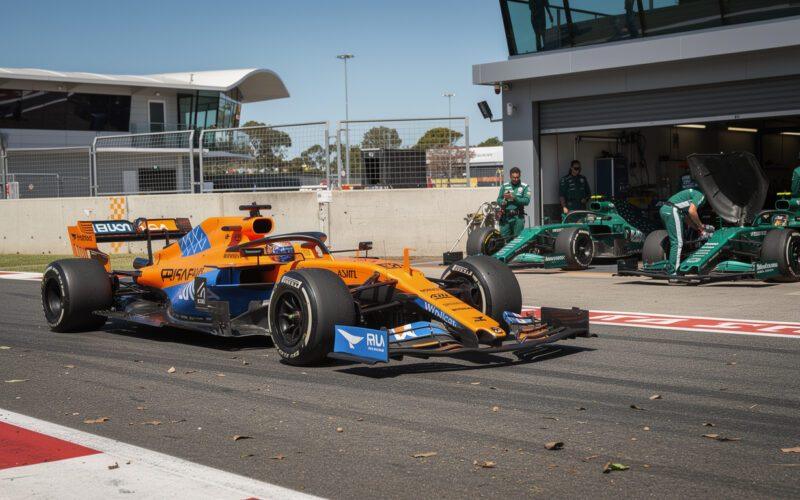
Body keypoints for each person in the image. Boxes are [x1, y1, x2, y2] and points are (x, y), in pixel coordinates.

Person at [660, 188, 707, 274]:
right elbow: (692, 211)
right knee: (677, 242)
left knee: (675, 241)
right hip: (672, 210)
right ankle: (674, 272)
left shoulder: (691, 194)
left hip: (665, 209)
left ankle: (671, 267)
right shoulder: (701, 195)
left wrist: (696, 227)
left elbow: (686, 217)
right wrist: (701, 226)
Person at [497, 167, 530, 239]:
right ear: (510, 176)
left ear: (520, 176)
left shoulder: (524, 186)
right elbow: (498, 199)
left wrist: (515, 198)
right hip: (505, 217)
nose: (515, 179)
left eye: (517, 177)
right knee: (504, 239)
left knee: (517, 240)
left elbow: (527, 201)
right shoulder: (504, 186)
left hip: (518, 217)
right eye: (513, 177)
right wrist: (502, 202)